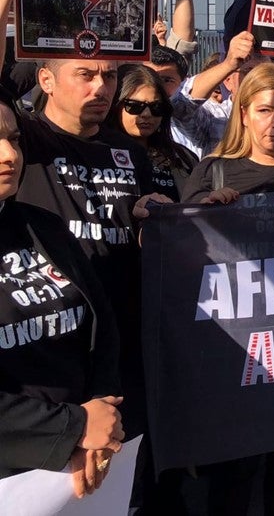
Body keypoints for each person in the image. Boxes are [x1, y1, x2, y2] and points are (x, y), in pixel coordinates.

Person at [181, 61, 274, 515]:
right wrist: (200, 214)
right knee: (236, 470)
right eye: (266, 110)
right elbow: (178, 253)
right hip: (235, 348)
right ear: (243, 112)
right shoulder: (214, 170)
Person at [0, 93, 124, 498]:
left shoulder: (44, 226)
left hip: (77, 470)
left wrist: (99, 417)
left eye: (15, 139)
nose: (9, 155)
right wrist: (70, 427)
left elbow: (100, 325)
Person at [107, 65, 197, 201]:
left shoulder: (183, 159)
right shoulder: (98, 153)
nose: (146, 114)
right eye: (134, 106)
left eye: (156, 107)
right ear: (115, 105)